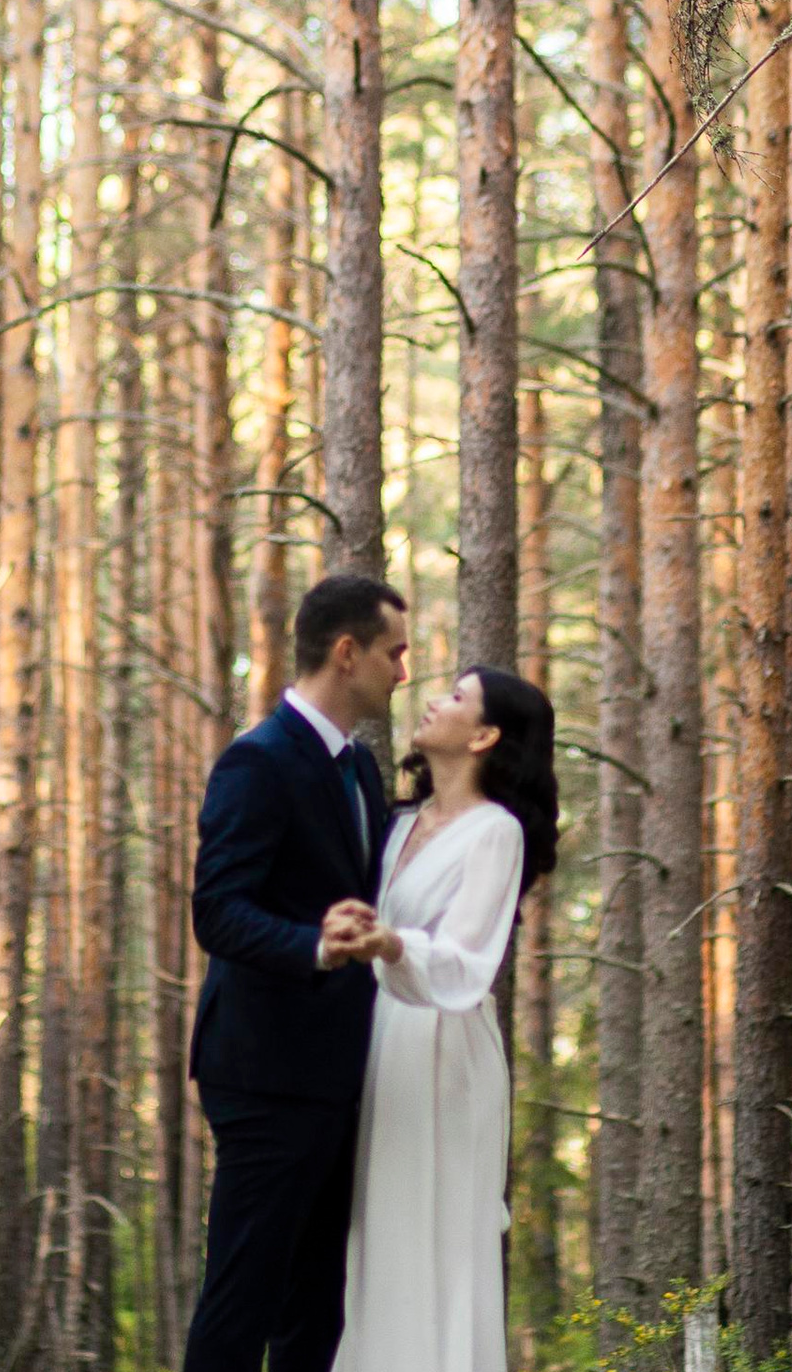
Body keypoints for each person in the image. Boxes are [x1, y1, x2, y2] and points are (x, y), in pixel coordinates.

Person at [182, 573, 411, 1372]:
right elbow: (217, 911)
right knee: (243, 1301)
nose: (404, 672)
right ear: (347, 654)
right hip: (265, 1077)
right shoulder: (257, 762)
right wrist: (315, 944)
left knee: (316, 1311)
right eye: (396, 652)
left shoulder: (359, 770)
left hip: (340, 1076)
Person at [326, 664, 560, 1372]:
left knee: (435, 1245)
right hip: (377, 1046)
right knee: (374, 1243)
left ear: (485, 735)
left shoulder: (496, 832)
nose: (432, 700)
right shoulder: (396, 824)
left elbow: (466, 963)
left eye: (456, 697)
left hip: (442, 1051)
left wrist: (393, 944)